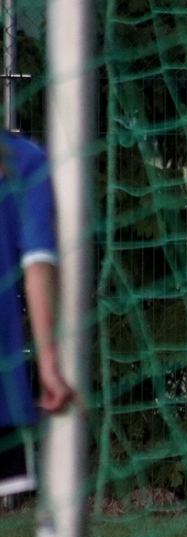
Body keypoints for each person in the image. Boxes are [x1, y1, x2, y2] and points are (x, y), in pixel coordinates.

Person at [0, 131, 75, 499]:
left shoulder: (24, 161)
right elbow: (38, 266)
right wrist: (49, 362)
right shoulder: (24, 159)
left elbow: (37, 264)